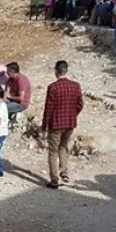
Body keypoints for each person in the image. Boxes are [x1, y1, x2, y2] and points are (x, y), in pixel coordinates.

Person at [41, 60, 84, 189]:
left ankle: (54, 180)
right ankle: (64, 172)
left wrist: (44, 125)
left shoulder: (53, 87)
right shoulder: (76, 85)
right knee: (64, 147)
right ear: (66, 70)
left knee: (53, 152)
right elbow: (80, 104)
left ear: (56, 71)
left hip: (56, 123)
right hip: (70, 123)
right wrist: (73, 114)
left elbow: (48, 108)